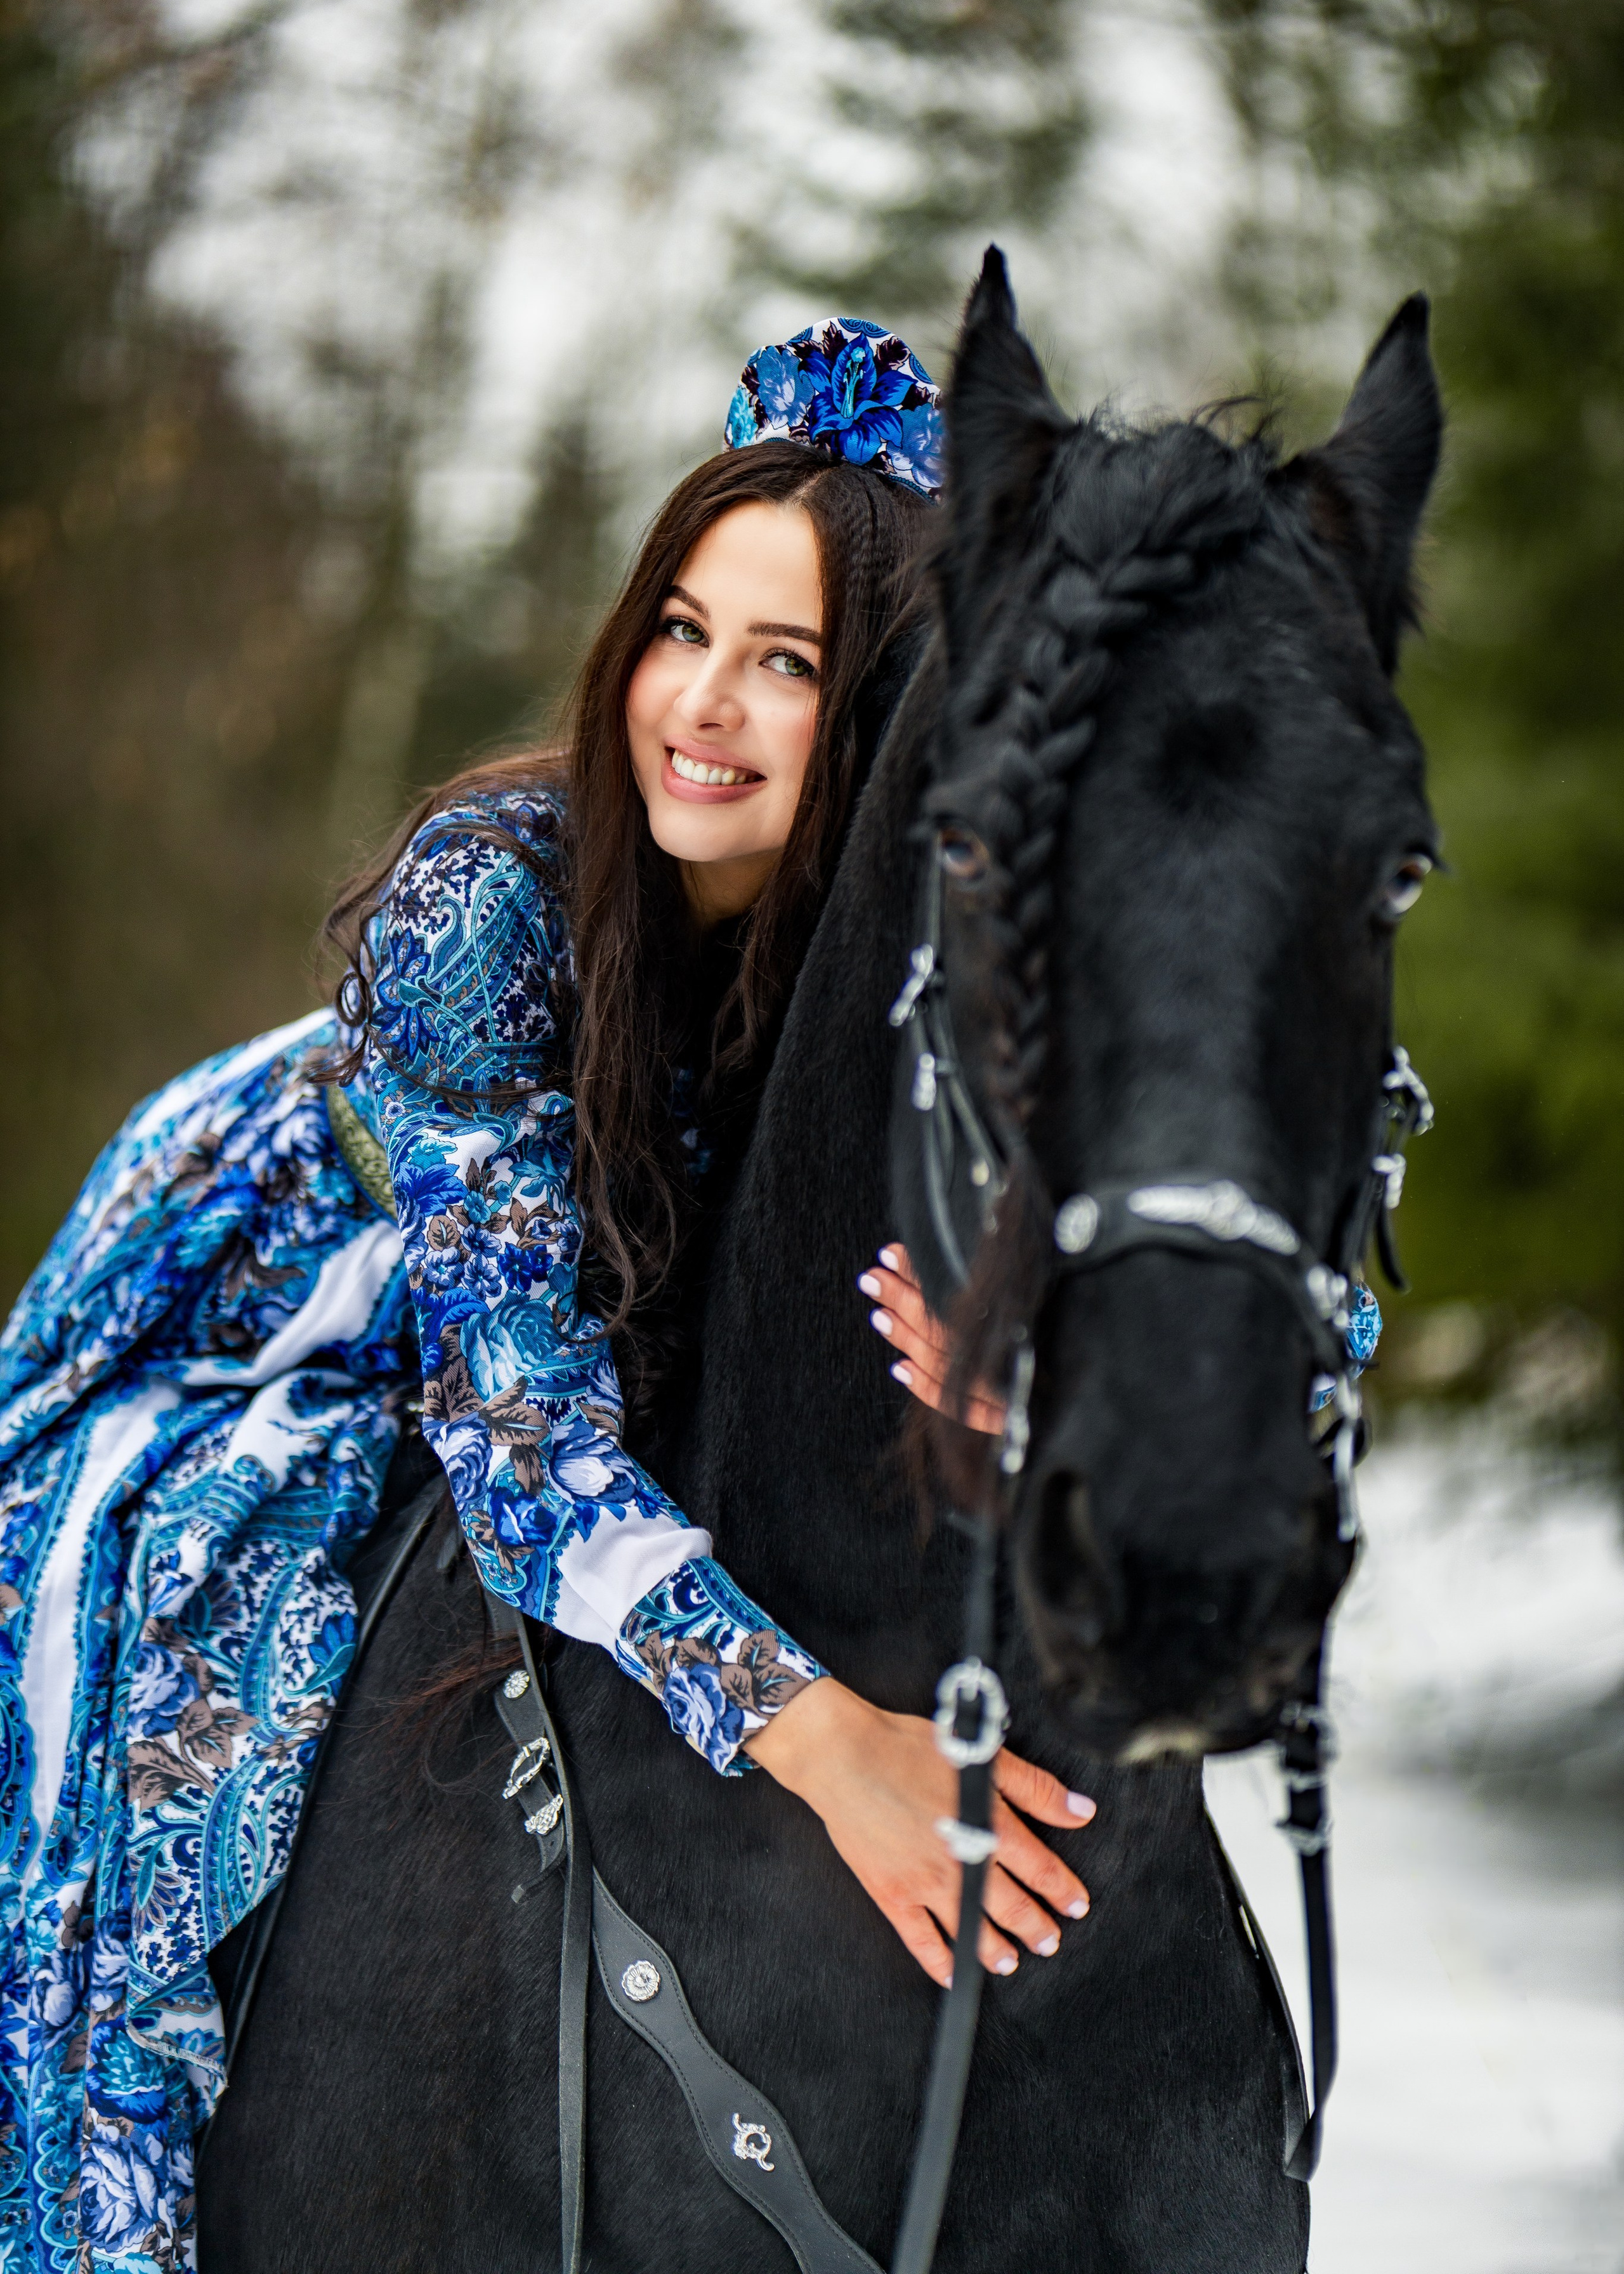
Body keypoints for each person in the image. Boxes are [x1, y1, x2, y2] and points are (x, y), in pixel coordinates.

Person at [0, 317, 1094, 2274]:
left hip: (584, 1316)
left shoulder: (902, 941)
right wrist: (821, 1734)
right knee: (214, 1597)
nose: (706, 704)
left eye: (789, 663)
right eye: (682, 628)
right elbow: (515, 1434)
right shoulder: (485, 900)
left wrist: (1054, 1363)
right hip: (264, 1317)